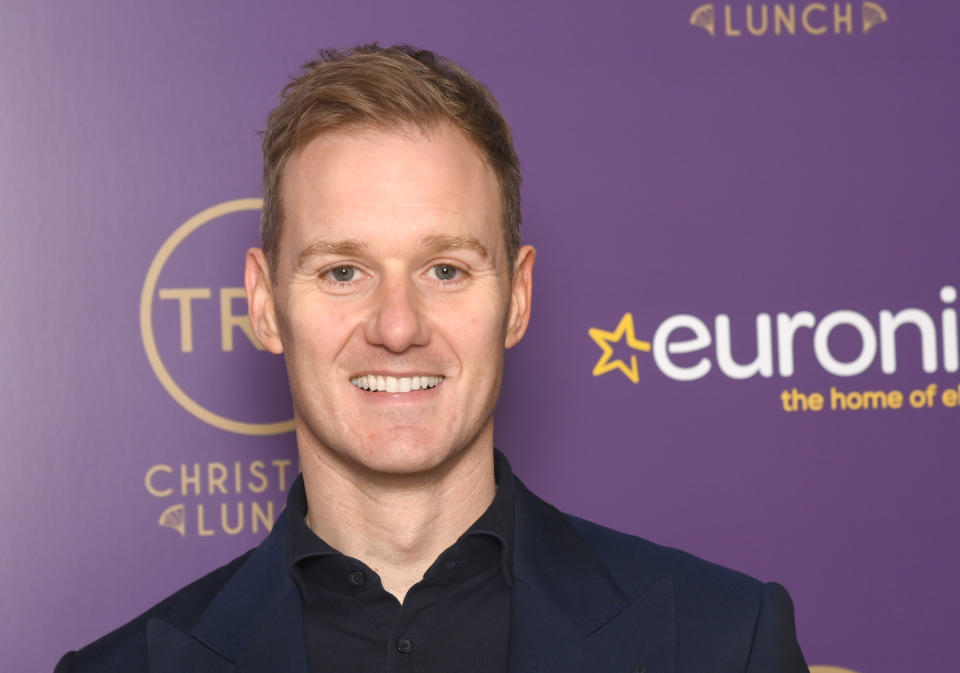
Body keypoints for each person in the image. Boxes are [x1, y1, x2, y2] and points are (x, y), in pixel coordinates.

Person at [55, 44, 808, 672]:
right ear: (262, 302)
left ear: (516, 298)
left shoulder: (723, 640)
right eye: (342, 271)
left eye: (445, 269)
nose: (396, 325)